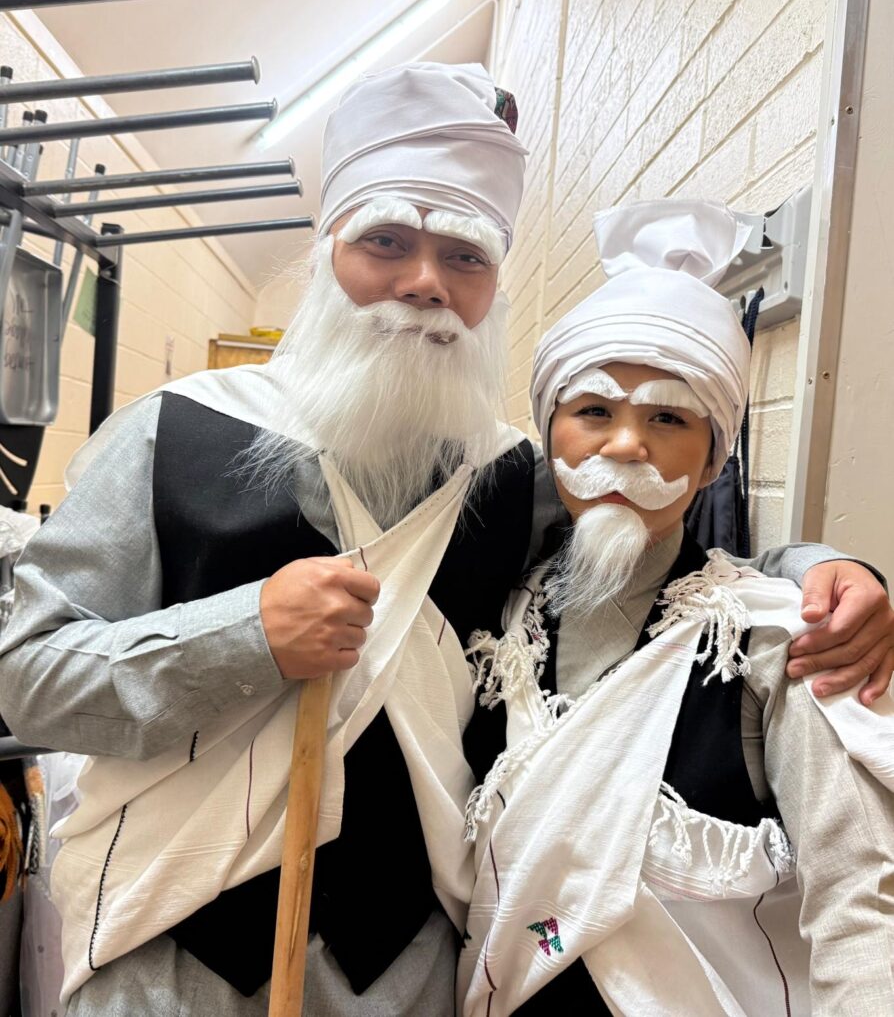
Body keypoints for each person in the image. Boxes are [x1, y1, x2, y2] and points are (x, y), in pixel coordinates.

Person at [0, 64, 888, 1017]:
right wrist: (245, 636)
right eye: (386, 241)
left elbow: (657, 527)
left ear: (492, 289)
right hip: (169, 960)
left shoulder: (510, 474)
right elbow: (28, 678)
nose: (425, 283)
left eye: (464, 256)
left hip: (413, 976)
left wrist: (826, 571)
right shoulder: (169, 431)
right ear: (328, 251)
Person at [458, 199, 894, 1017]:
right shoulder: (499, 621)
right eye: (594, 411)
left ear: (712, 459)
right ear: (551, 436)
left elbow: (860, 897)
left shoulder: (770, 641)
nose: (626, 445)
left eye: (666, 417)